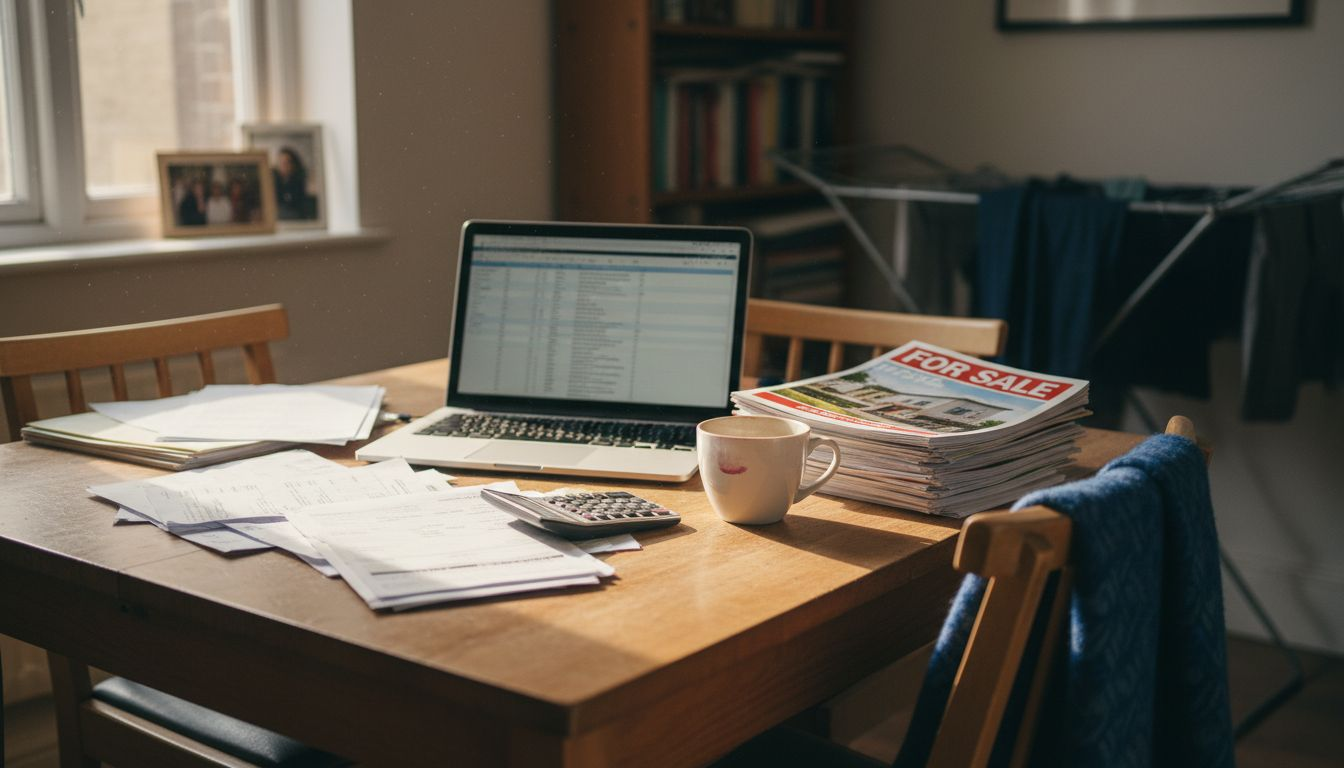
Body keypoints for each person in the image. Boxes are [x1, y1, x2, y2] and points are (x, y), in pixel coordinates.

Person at [272, 146, 316, 220]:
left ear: (293, 164)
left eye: (286, 163)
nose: (283, 166)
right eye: (281, 162)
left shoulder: (299, 182)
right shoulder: (273, 181)